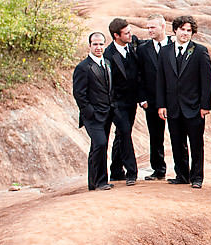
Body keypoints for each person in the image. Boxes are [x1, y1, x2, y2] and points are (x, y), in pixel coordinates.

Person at [156, 15, 211, 189]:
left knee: (196, 144)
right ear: (175, 30)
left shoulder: (199, 51)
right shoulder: (165, 51)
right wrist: (161, 104)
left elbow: (207, 80)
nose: (185, 33)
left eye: (189, 31)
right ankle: (182, 175)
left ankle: (197, 177)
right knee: (176, 142)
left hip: (194, 107)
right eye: (182, 29)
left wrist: (205, 106)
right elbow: (160, 79)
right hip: (173, 107)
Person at [72, 32, 114, 191]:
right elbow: (79, 93)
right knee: (100, 143)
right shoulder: (83, 67)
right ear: (89, 45)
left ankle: (95, 182)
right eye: (95, 44)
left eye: (101, 44)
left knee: (98, 146)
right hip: (92, 115)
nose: (98, 47)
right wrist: (89, 111)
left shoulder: (108, 63)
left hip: (107, 112)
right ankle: (100, 182)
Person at [104, 18, 140, 186]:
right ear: (116, 36)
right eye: (126, 33)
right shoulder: (108, 55)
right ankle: (131, 172)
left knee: (121, 135)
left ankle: (116, 170)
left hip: (132, 101)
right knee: (125, 133)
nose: (130, 35)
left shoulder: (133, 45)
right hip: (116, 103)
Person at [135, 14, 170, 180]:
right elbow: (139, 75)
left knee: (180, 136)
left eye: (152, 27)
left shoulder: (175, 45)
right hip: (152, 101)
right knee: (155, 137)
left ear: (163, 27)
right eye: (148, 27)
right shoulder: (142, 49)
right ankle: (158, 170)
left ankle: (184, 171)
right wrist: (142, 99)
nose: (149, 30)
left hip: (174, 100)